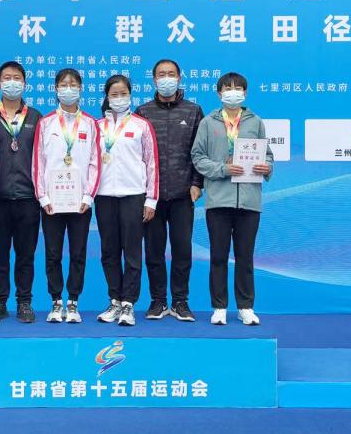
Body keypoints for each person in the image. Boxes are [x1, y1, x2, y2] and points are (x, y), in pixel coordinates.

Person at [190, 72, 273, 326]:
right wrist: (222, 169)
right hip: (218, 200)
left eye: (238, 88)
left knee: (245, 257)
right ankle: (219, 307)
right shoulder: (208, 122)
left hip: (249, 201)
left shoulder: (255, 122)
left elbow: (268, 156)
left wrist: (267, 167)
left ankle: (245, 307)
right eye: (228, 88)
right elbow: (197, 157)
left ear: (245, 93)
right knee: (218, 256)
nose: (233, 92)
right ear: (219, 93)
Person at [136, 59, 205, 322]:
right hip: (151, 197)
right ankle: (158, 301)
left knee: (182, 250)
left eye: (171, 74)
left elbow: (199, 152)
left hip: (183, 194)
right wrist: (144, 193)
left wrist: (197, 183)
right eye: (161, 74)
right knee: (153, 251)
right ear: (154, 80)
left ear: (179, 77)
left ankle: (180, 302)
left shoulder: (193, 111)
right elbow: (136, 155)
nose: (167, 78)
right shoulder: (143, 112)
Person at [32, 68, 101, 324]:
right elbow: (38, 162)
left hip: (80, 202)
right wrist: (43, 197)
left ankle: (73, 301)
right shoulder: (45, 123)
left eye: (73, 84)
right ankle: (55, 301)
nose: (68, 88)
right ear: (56, 89)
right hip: (52, 203)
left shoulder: (91, 124)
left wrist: (88, 196)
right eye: (64, 84)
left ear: (81, 89)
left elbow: (95, 162)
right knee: (52, 253)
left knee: (78, 252)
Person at [94, 75, 159, 327]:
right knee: (109, 251)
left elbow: (151, 163)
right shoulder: (97, 126)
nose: (119, 98)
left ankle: (129, 303)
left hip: (134, 195)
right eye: (114, 94)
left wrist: (151, 200)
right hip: (104, 196)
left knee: (132, 252)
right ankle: (114, 300)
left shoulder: (142, 125)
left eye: (123, 93)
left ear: (130, 95)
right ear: (107, 97)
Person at [0, 61, 43, 324]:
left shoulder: (36, 117)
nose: (12, 82)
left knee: (25, 256)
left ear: (24, 84)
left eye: (16, 78)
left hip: (28, 199)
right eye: (7, 78)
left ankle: (24, 302)